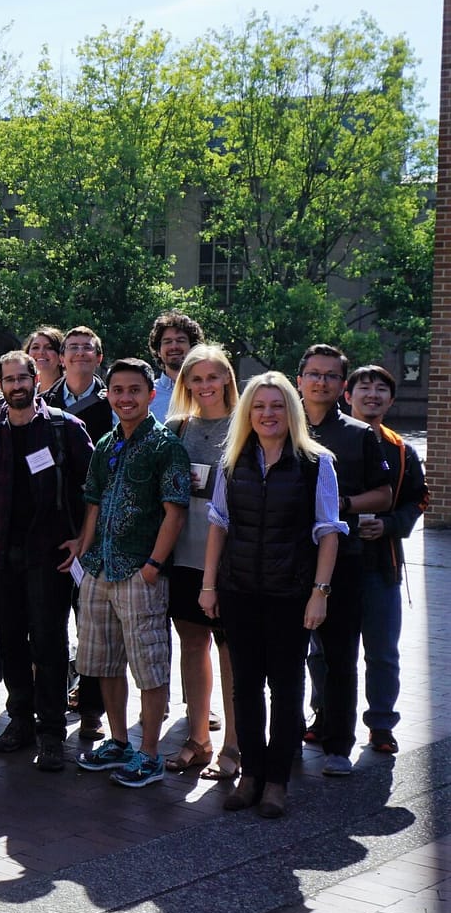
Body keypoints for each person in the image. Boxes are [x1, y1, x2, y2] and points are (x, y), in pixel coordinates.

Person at [201, 372, 344, 818]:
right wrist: (208, 586)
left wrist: (319, 593)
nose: (268, 414)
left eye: (277, 405)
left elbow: (329, 532)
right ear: (248, 411)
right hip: (239, 590)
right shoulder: (233, 461)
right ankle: (251, 774)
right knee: (244, 687)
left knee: (286, 688)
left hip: (290, 593)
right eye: (259, 406)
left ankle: (276, 780)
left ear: (292, 410)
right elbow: (218, 525)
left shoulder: (316, 463)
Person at [0, 351, 94, 772]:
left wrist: (82, 538)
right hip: (3, 558)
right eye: (9, 380)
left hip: (50, 558)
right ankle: (19, 720)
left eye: (24, 378)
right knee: (10, 643)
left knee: (50, 643)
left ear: (36, 380)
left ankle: (52, 732)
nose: (17, 386)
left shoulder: (65, 428)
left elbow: (93, 490)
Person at [70, 358, 191, 788]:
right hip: (100, 569)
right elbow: (94, 504)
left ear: (150, 395)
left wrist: (153, 567)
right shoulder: (104, 444)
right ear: (109, 395)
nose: (125, 398)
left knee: (149, 665)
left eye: (134, 390)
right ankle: (119, 741)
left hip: (140, 572)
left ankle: (151, 752)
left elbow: (175, 512)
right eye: (117, 390)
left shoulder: (166, 446)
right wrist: (83, 554)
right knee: (103, 662)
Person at [297, 344, 392, 776]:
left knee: (339, 655)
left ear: (342, 386)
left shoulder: (359, 435)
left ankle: (339, 744)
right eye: (313, 374)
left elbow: (385, 495)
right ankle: (287, 736)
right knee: (286, 656)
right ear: (299, 379)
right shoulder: (279, 423)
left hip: (344, 561)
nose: (321, 382)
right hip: (285, 560)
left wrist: (339, 505)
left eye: (331, 376)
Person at [160, 344, 241, 780]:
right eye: (196, 379)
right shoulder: (177, 427)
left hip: (231, 560)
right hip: (185, 554)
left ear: (227, 378)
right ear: (185, 384)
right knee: (193, 645)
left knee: (232, 651)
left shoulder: (245, 424)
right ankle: (198, 738)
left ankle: (235, 742)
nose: (205, 386)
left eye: (213, 377)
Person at [345, 364, 427, 756]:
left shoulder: (402, 450)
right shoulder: (330, 441)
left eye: (381, 389)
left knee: (382, 652)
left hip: (382, 566)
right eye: (364, 387)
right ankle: (322, 717)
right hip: (333, 566)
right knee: (323, 651)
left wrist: (391, 524)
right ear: (348, 395)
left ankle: (381, 724)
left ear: (391, 400)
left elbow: (419, 497)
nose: (372, 394)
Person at [42, 326, 113, 441]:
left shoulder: (113, 403)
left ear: (99, 359)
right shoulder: (42, 404)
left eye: (87, 347)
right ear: (61, 359)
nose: (80, 353)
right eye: (73, 347)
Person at [148, 311, 204, 423]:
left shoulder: (207, 391)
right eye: (167, 342)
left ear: (193, 347)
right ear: (158, 351)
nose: (174, 346)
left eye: (180, 340)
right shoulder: (147, 396)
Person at [25, 327, 66, 395]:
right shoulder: (25, 394)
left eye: (49, 348)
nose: (41, 352)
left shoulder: (71, 392)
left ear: (61, 357)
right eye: (35, 347)